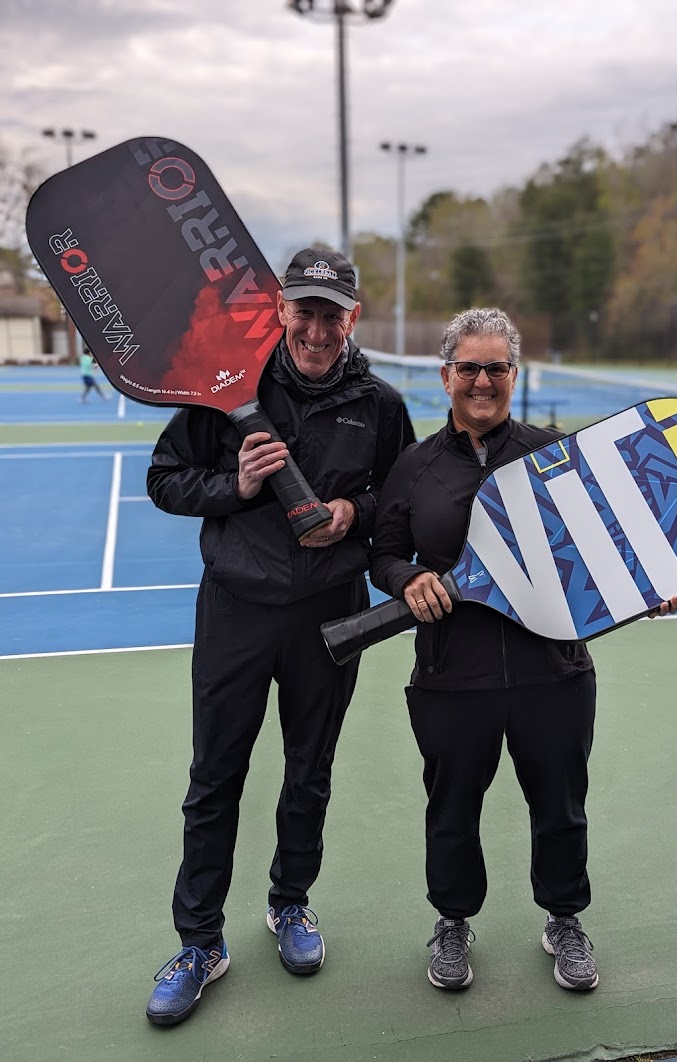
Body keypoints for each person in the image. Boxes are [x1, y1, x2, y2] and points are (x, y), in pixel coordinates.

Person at [369, 308, 677, 994]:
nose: (483, 381)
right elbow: (384, 553)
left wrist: (651, 586)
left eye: (497, 368)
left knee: (561, 807)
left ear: (514, 374)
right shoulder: (415, 468)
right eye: (469, 368)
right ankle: (452, 922)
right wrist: (408, 577)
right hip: (451, 676)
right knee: (451, 809)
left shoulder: (554, 455)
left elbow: (613, 544)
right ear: (446, 375)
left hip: (555, 673)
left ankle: (564, 919)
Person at [144, 247, 415, 1025]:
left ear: (351, 318)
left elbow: (397, 510)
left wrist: (351, 516)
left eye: (333, 314)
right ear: (281, 313)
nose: (319, 329)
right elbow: (166, 480)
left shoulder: (383, 406)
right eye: (305, 311)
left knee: (310, 771)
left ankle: (290, 903)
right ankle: (201, 942)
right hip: (234, 609)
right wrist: (241, 484)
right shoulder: (228, 390)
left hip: (329, 616)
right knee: (215, 777)